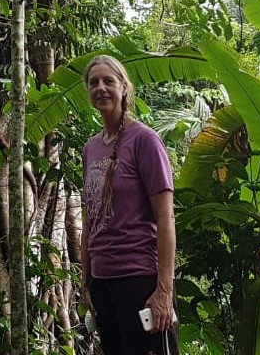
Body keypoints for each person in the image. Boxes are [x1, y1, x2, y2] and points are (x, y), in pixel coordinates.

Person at [80, 55, 177, 355]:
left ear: (124, 87)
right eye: (94, 82)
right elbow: (89, 220)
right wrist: (86, 281)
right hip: (103, 282)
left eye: (109, 81)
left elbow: (165, 218)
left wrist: (163, 291)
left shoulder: (144, 140)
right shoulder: (91, 148)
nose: (101, 88)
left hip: (139, 279)